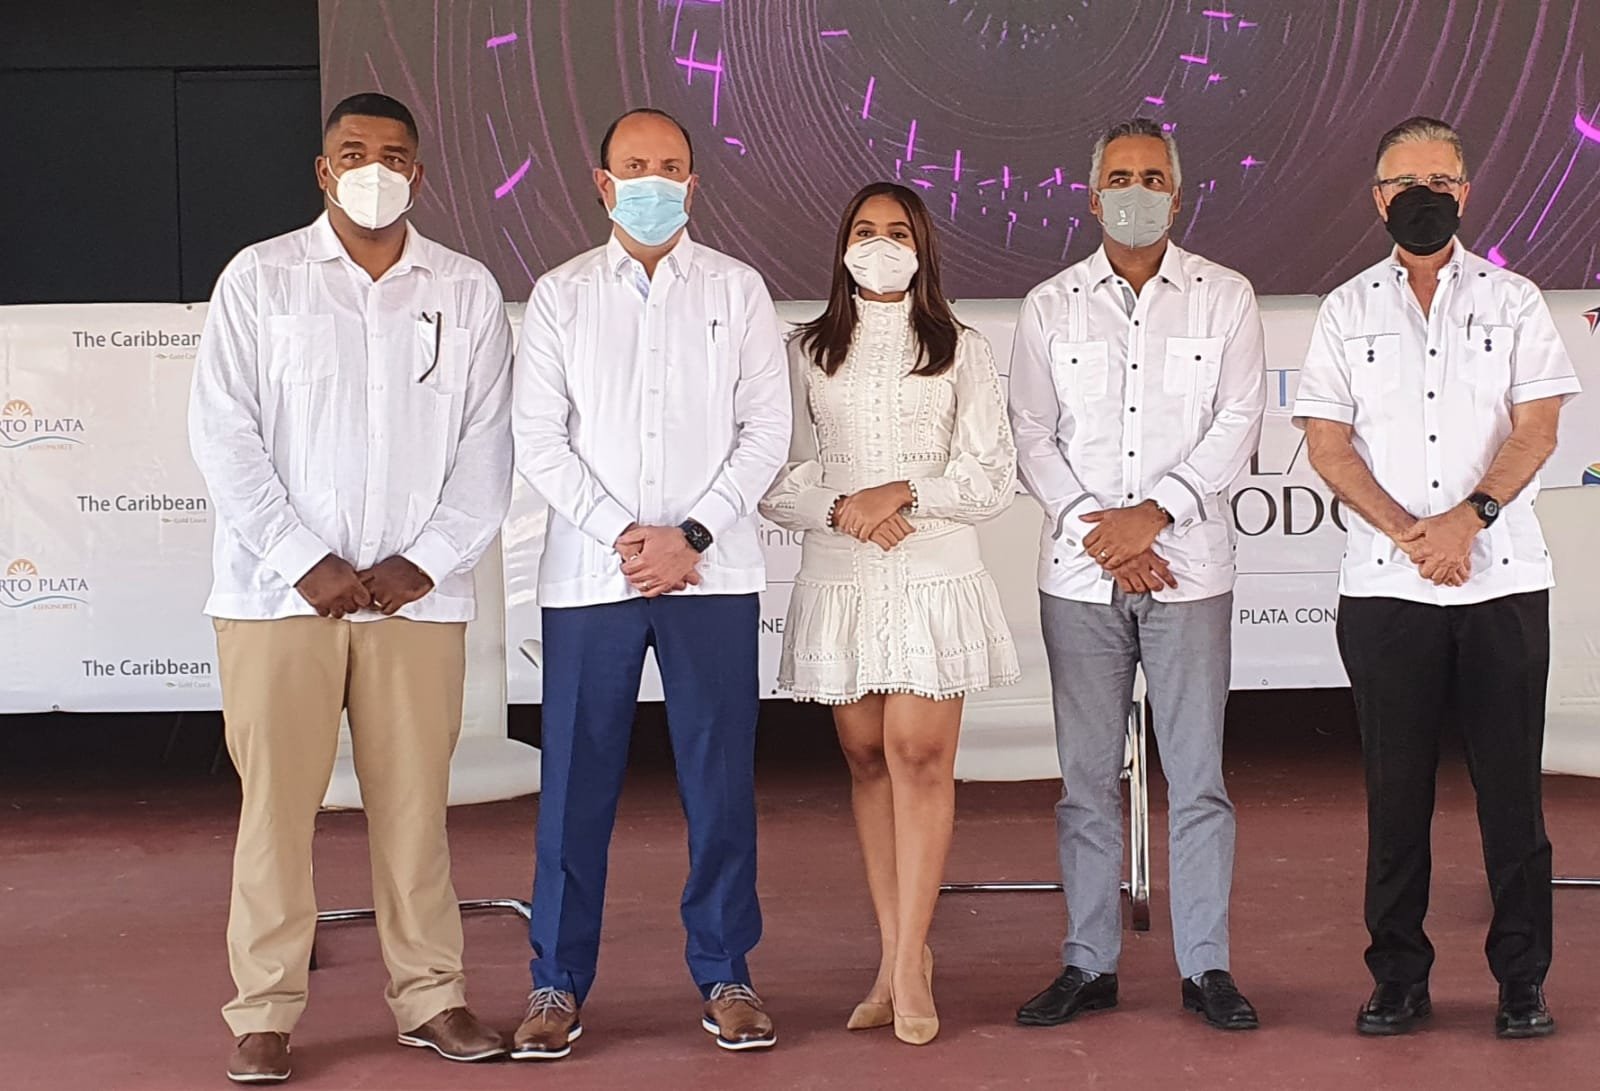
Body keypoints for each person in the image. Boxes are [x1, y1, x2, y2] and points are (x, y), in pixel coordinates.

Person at [189, 92, 513, 1084]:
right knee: (275, 813)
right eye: (354, 152)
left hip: (417, 600)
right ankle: (264, 1011)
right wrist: (303, 557)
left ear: (419, 173)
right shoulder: (261, 278)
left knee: (415, 813)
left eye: (395, 155)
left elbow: (487, 445)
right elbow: (224, 434)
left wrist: (428, 558)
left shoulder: (463, 289)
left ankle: (432, 997)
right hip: (278, 597)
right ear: (324, 170)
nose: (376, 169)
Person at [510, 107, 791, 1059]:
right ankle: (556, 981)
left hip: (712, 573)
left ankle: (726, 970)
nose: (653, 182)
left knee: (719, 782)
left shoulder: (737, 289)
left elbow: (767, 430)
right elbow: (539, 437)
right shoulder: (560, 295)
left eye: (671, 167)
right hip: (593, 577)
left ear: (693, 183)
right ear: (603, 184)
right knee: (574, 785)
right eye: (635, 167)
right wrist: (625, 537)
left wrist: (692, 535)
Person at [1294, 116, 1580, 1039]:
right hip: (1387, 588)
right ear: (1378, 200)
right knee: (1395, 793)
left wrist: (1469, 520)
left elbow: (1538, 428)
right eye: (1404, 184)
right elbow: (1327, 445)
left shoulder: (1515, 300)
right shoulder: (1346, 310)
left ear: (1465, 191)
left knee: (1512, 795)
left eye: (1440, 182)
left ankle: (1523, 981)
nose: (1423, 197)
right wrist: (1413, 536)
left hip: (1502, 582)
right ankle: (1398, 977)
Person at [1008, 118, 1266, 1032]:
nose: (1137, 192)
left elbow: (1239, 420)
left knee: (1197, 778)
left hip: (1189, 569)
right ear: (1091, 197)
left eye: (1153, 178)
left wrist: (1153, 517)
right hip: (1081, 577)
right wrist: (1106, 533)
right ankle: (1088, 961)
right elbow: (1031, 434)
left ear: (1178, 195)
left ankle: (1206, 966)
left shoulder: (1226, 297)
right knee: (1086, 780)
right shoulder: (1050, 305)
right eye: (1120, 178)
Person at [759, 182, 1019, 1046]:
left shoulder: (960, 347)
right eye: (865, 230)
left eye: (897, 231)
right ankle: (892, 952)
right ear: (842, 246)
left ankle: (910, 963)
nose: (880, 244)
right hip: (842, 573)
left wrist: (902, 490)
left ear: (922, 247)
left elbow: (990, 477)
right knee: (867, 756)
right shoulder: (805, 350)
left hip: (932, 570)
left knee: (918, 752)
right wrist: (845, 509)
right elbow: (777, 476)